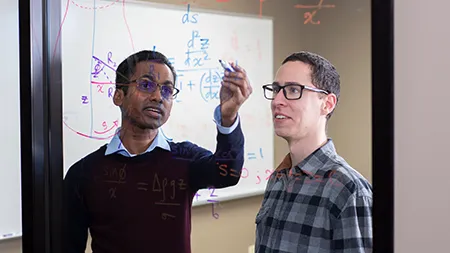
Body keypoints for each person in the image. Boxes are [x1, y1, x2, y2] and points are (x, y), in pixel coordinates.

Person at [63, 50, 252, 253]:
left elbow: (227, 173)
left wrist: (229, 115)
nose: (157, 97)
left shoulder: (185, 159)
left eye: (167, 90)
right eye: (146, 85)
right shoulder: (84, 173)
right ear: (118, 95)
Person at [255, 51, 373, 252]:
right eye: (276, 90)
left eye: (293, 90)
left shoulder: (349, 190)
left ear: (327, 104)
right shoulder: (278, 179)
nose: (277, 101)